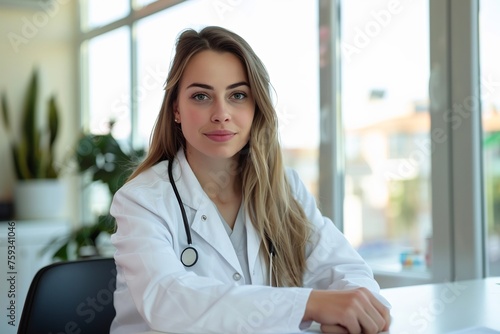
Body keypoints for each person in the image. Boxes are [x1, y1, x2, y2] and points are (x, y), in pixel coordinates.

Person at [110, 26, 391, 334]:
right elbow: (168, 300)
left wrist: (355, 314)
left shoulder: (284, 188)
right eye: (201, 96)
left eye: (238, 95)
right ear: (176, 108)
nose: (221, 113)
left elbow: (346, 269)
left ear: (256, 107)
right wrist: (309, 304)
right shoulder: (141, 200)